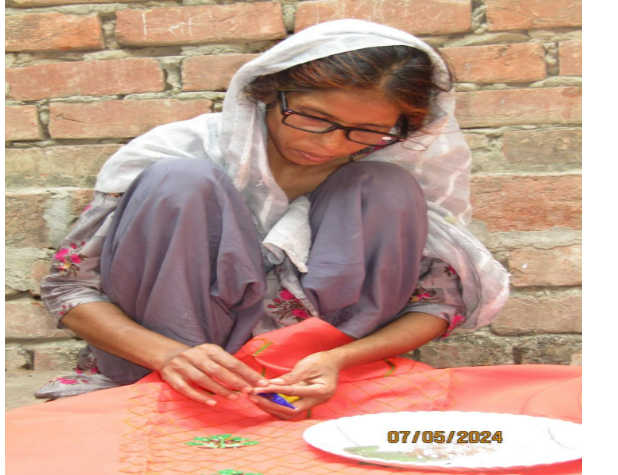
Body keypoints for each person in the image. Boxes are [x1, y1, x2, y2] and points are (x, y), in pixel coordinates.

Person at [38, 20, 509, 420]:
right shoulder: (177, 154)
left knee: (382, 185)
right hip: (172, 373)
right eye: (311, 117)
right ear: (267, 92)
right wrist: (171, 355)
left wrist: (336, 359)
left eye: (366, 131)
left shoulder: (390, 181)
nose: (328, 144)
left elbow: (435, 304)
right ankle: (188, 383)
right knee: (182, 182)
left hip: (313, 382)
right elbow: (69, 288)